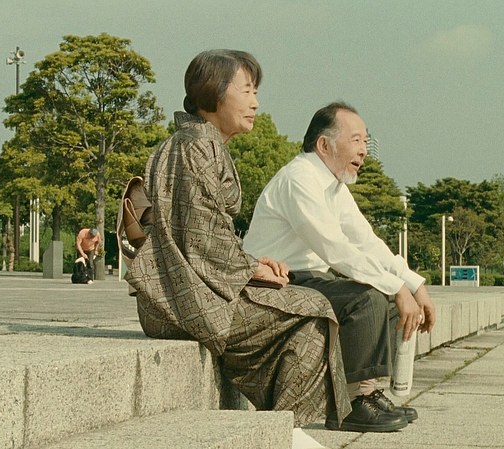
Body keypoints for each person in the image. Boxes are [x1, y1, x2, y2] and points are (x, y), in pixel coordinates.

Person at [122, 50, 350, 440]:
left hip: (183, 295)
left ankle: (281, 431)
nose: (255, 102)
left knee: (306, 314)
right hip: (184, 303)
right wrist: (251, 268)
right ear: (214, 92)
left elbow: (201, 232)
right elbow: (201, 235)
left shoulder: (190, 143)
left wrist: (253, 263)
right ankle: (285, 434)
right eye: (246, 90)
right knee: (314, 311)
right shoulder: (197, 146)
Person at [243, 101, 437, 433]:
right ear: (324, 145)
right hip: (276, 282)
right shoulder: (299, 179)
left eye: (366, 141)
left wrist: (413, 284)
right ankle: (348, 406)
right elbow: (334, 248)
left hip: (309, 279)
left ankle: (367, 393)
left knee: (388, 298)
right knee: (367, 299)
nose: (364, 151)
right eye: (356, 140)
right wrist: (395, 286)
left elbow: (366, 241)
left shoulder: (333, 186)